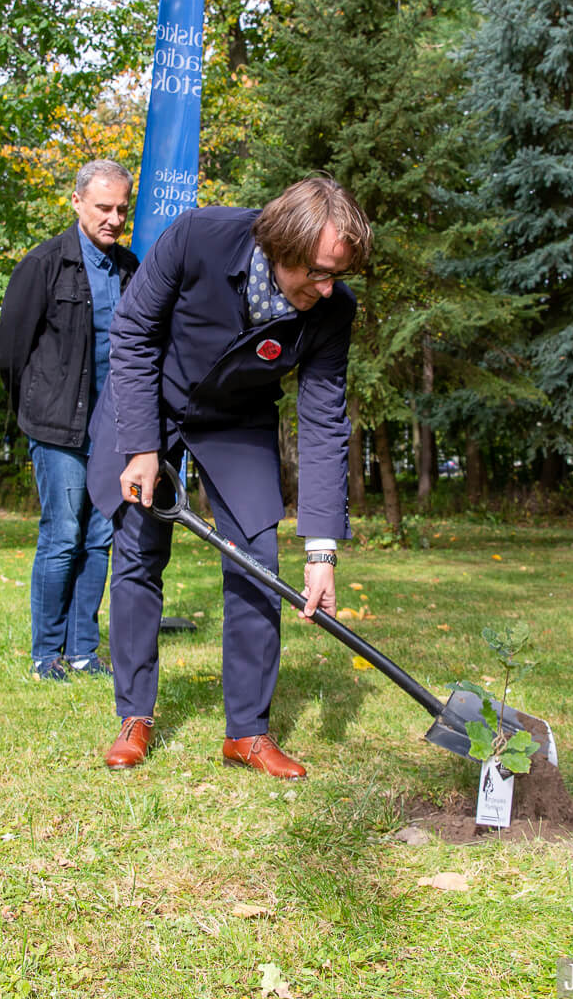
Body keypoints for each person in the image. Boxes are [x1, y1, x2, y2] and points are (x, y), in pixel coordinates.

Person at [84, 176, 370, 778]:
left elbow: (323, 421)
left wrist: (321, 550)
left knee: (257, 562)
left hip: (237, 419)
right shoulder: (200, 237)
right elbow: (133, 332)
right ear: (283, 246)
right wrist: (141, 448)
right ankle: (134, 716)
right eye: (318, 272)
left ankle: (247, 732)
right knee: (138, 553)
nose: (328, 288)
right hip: (151, 402)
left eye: (338, 275)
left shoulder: (332, 309)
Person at [0, 160, 137, 681]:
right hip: (56, 429)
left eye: (122, 209)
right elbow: (10, 349)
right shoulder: (43, 264)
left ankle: (82, 651)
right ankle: (45, 655)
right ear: (76, 202)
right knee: (62, 536)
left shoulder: (130, 268)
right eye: (103, 207)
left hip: (112, 431)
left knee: (99, 539)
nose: (114, 219)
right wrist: (37, 407)